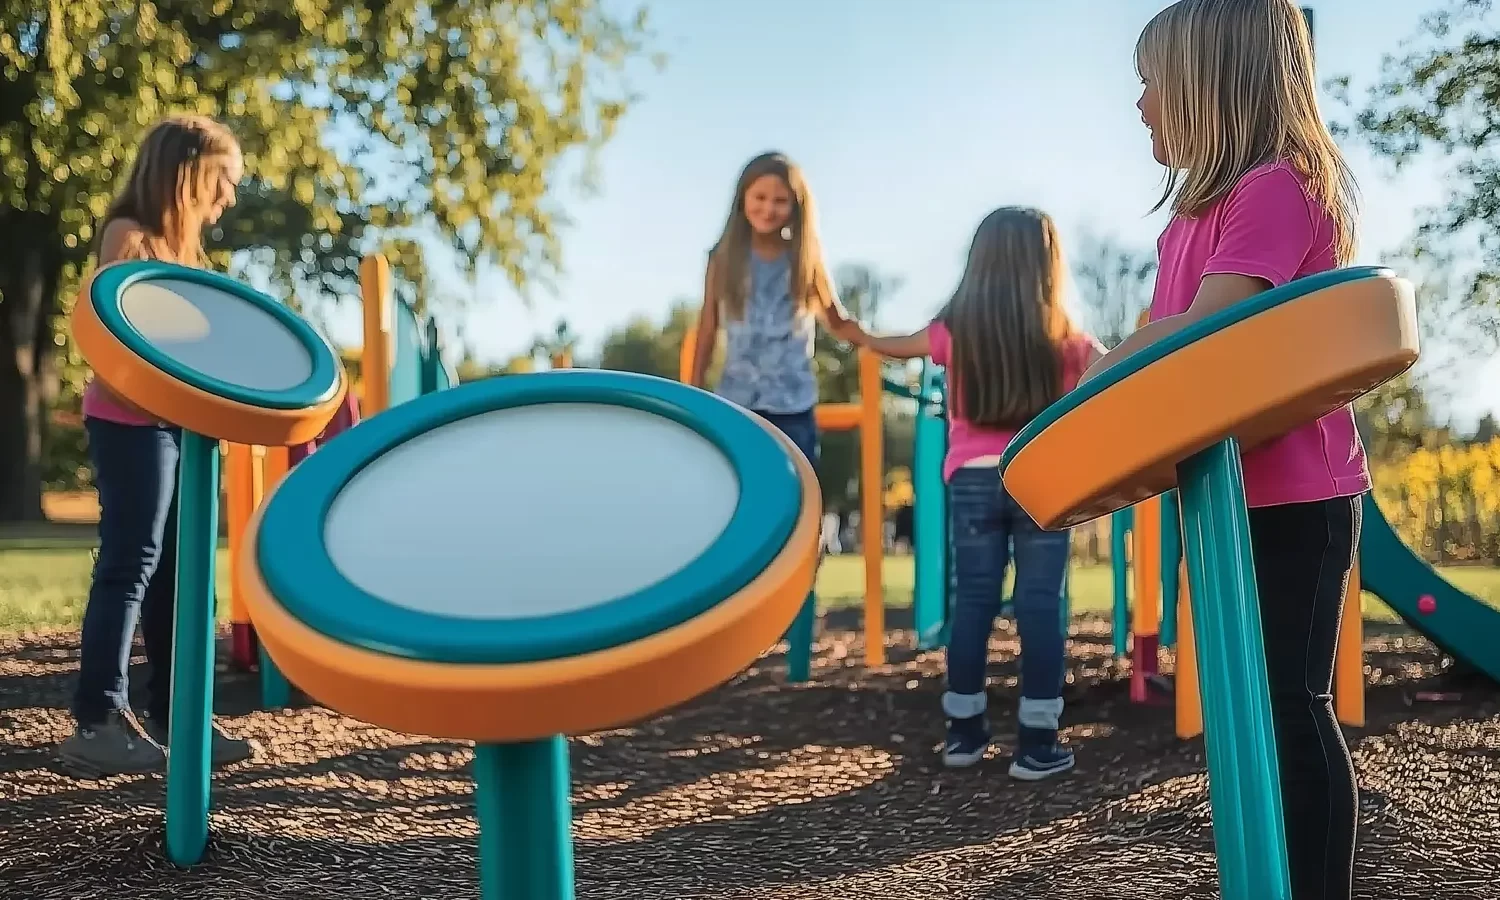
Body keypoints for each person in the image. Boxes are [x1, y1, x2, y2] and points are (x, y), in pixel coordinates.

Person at [1089, 2, 1365, 896]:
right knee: (1242, 709)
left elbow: (1205, 336)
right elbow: (1166, 348)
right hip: (1219, 496)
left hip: (1295, 494)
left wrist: (1099, 373)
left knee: (1287, 703)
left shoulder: (1275, 187)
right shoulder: (1185, 223)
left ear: (1211, 87)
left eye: (1151, 83)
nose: (1139, 105)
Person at [839, 206, 1105, 780]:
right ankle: (1037, 741)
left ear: (977, 264)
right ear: (1048, 265)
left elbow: (899, 344)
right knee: (1040, 605)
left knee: (974, 601)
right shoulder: (1066, 338)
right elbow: (1115, 370)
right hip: (1041, 479)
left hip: (973, 479)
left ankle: (963, 732)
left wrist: (854, 332)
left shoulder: (954, 332)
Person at [62, 115, 255, 776]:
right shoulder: (130, 236)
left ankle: (181, 717)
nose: (228, 197)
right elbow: (121, 338)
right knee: (131, 562)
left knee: (181, 577)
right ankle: (97, 722)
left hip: (177, 428)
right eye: (222, 181)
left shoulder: (188, 256)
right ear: (188, 173)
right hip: (128, 422)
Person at [687, 151, 859, 467]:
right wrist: (693, 391)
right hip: (737, 400)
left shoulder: (805, 260)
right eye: (760, 197)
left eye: (780, 201)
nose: (768, 208)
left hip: (792, 403)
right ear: (743, 198)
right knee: (737, 481)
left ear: (796, 207)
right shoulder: (723, 259)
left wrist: (883, 344)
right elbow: (708, 329)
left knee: (797, 489)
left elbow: (838, 321)